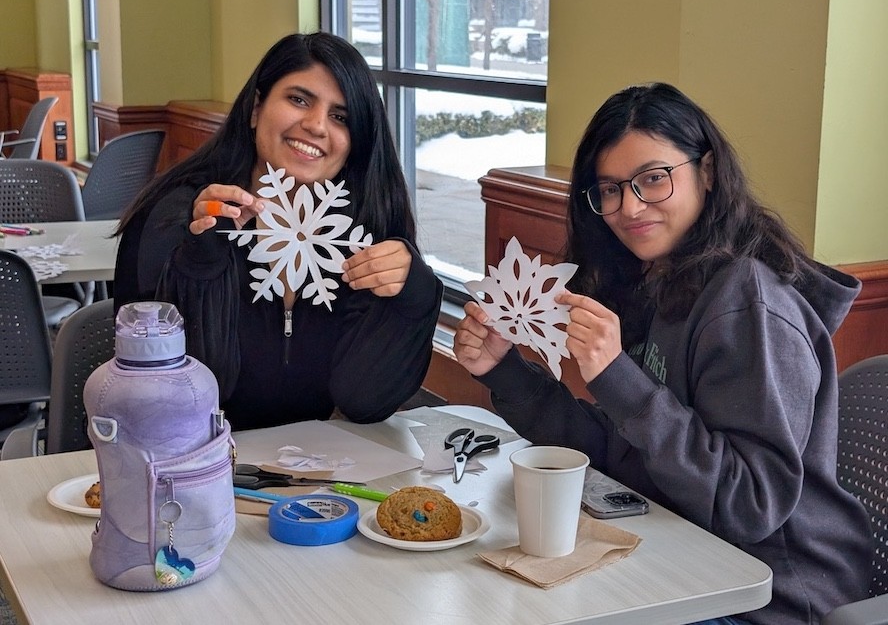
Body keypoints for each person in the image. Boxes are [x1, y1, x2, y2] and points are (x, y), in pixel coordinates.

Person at [454, 83, 873, 624]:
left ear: (709, 172)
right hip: (676, 552)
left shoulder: (747, 302)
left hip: (770, 598)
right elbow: (617, 452)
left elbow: (748, 507)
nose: (629, 207)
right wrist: (506, 371)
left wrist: (620, 379)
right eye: (608, 189)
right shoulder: (656, 279)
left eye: (653, 178)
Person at [115, 32, 443, 431]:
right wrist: (201, 264)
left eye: (341, 117)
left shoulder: (362, 233)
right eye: (299, 100)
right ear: (256, 110)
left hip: (320, 470)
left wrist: (416, 295)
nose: (316, 125)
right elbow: (174, 399)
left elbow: (365, 400)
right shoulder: (175, 217)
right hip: (187, 468)